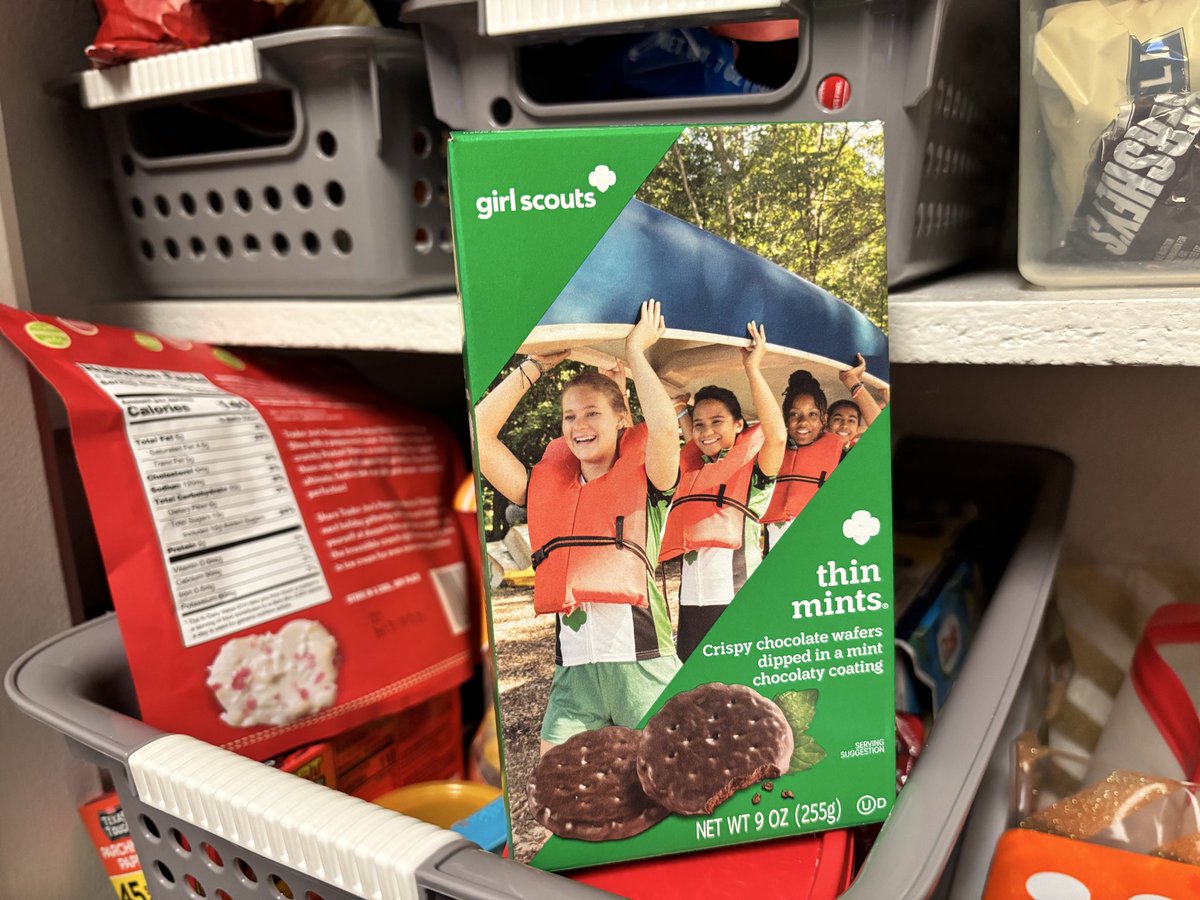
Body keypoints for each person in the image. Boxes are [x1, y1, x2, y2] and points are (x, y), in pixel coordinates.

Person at [475, 300, 682, 755]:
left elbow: (666, 432)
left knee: (667, 795)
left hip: (643, 663)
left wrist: (636, 353)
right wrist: (533, 368)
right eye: (569, 416)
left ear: (621, 419)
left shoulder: (651, 478)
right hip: (575, 674)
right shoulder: (543, 486)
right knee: (558, 792)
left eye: (592, 413)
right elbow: (479, 435)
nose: (579, 425)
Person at [660, 322, 786, 661]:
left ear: (738, 425)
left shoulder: (756, 472)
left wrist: (753, 367)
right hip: (691, 602)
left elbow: (776, 437)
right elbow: (696, 444)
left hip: (737, 598)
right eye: (699, 424)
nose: (706, 431)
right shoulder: (695, 468)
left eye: (717, 421)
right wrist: (681, 410)